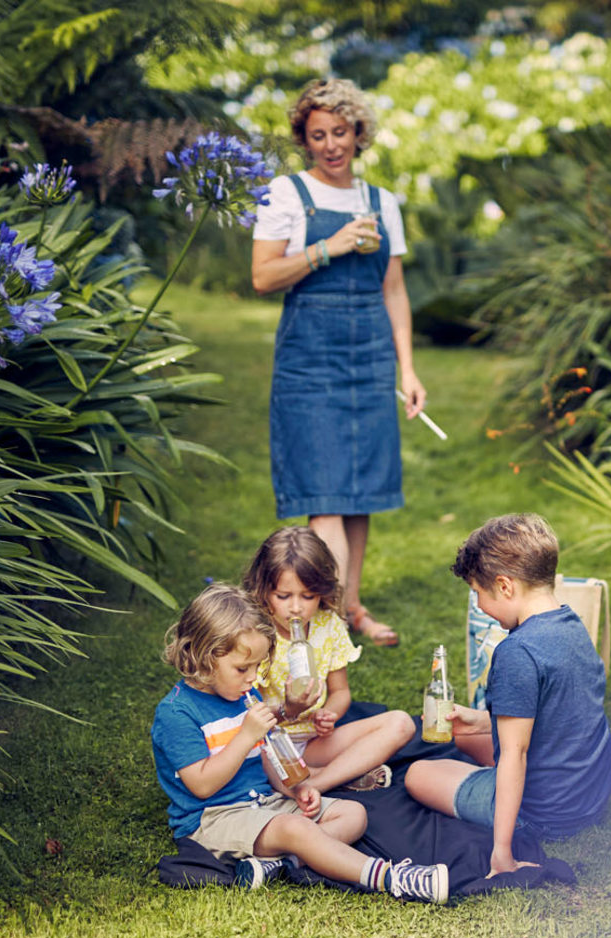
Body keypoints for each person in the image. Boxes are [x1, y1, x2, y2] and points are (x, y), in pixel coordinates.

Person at [251, 76, 421, 649]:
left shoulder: (383, 203)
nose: (330, 145)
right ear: (305, 138)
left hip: (369, 358)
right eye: (318, 134)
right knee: (324, 495)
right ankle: (327, 630)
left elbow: (394, 291)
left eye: (340, 132)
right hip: (309, 361)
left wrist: (408, 369)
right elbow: (262, 276)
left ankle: (348, 607)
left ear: (358, 133)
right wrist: (330, 246)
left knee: (361, 492)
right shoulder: (284, 194)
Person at [151, 583, 447, 901]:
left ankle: (277, 864)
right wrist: (246, 735)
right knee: (297, 830)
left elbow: (264, 759)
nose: (253, 678)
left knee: (353, 815)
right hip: (213, 818)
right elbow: (202, 786)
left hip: (263, 804)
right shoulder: (176, 713)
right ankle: (392, 878)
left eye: (257, 667)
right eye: (242, 668)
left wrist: (297, 789)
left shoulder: (240, 694)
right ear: (203, 656)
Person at [404, 514, 611, 877]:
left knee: (418, 773)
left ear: (505, 586)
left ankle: (505, 815)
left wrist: (502, 851)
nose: (478, 604)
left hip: (546, 814)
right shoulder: (571, 624)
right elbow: (562, 709)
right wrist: (480, 720)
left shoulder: (517, 652)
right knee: (465, 739)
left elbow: (515, 754)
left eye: (478, 592)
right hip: (590, 792)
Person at [243, 526, 414, 794]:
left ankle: (317, 782)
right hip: (269, 744)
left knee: (401, 723)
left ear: (322, 591)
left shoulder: (328, 625)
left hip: (313, 742)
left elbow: (341, 691)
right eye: (283, 596)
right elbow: (244, 711)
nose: (296, 607)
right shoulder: (256, 632)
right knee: (255, 759)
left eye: (308, 596)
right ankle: (343, 775)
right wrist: (288, 709)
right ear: (263, 590)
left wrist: (329, 714)